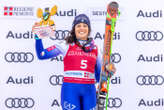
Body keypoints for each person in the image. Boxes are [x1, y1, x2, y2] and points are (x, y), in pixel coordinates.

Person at [32, 14, 116, 110]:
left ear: (89, 29)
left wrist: (109, 71)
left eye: (85, 26)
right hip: (70, 91)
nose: (82, 28)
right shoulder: (66, 44)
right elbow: (42, 55)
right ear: (74, 29)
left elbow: (100, 76)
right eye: (78, 26)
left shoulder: (96, 49)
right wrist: (38, 37)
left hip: (89, 92)